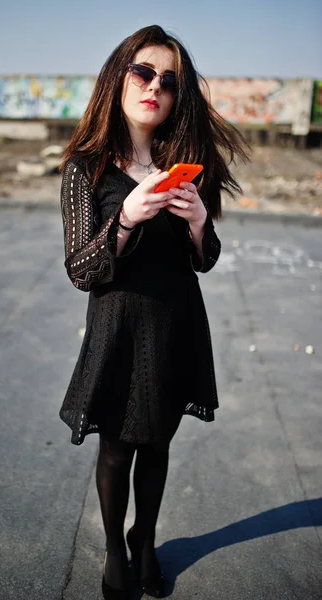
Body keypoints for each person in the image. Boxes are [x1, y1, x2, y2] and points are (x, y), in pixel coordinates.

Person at [59, 24, 249, 600]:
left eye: (169, 81)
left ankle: (147, 541)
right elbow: (80, 270)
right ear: (118, 77)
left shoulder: (185, 164)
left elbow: (206, 259)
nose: (155, 87)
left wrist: (196, 222)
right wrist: (129, 216)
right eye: (143, 72)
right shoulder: (85, 167)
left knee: (159, 443)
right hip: (117, 329)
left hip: (175, 324)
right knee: (117, 448)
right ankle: (116, 547)